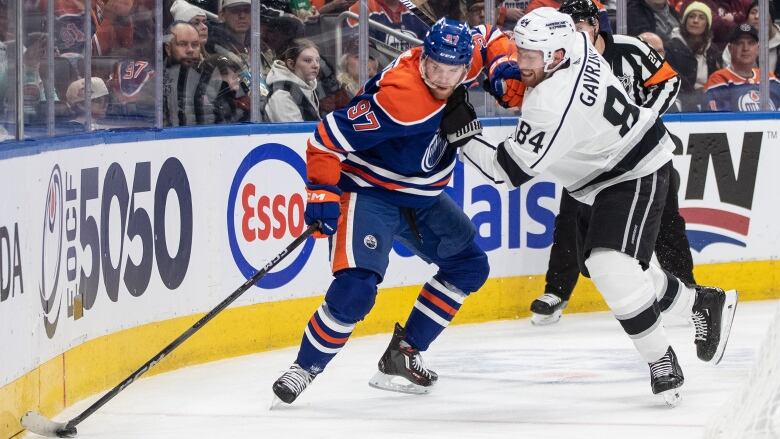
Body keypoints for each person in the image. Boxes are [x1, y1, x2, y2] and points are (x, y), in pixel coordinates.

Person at [450, 7, 737, 403]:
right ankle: (701, 301)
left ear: (554, 56)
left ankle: (661, 360)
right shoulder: (578, 43)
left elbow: (507, 171)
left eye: (530, 57)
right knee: (622, 272)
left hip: (632, 169)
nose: (522, 62)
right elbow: (517, 51)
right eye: (521, 53)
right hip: (599, 176)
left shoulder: (551, 104)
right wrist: (505, 66)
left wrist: (463, 134)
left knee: (609, 265)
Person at [271, 17, 523, 405]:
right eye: (434, 67)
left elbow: (489, 35)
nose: (441, 78)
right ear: (423, 57)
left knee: (470, 266)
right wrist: (321, 192)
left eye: (452, 70)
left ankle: (402, 354)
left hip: (422, 196)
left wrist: (502, 68)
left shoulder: (462, 58)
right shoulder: (400, 99)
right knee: (356, 288)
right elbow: (325, 140)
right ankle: (304, 367)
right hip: (370, 189)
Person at [529, 0, 692, 326]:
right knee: (570, 220)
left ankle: (686, 289)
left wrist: (645, 118)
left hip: (645, 156)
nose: (575, 34)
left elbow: (668, 81)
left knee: (666, 220)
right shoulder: (565, 65)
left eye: (579, 26)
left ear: (595, 23)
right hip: (589, 163)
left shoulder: (629, 48)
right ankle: (557, 291)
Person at [705, 23, 780, 111]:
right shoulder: (719, 79)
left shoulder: (769, 78)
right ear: (730, 49)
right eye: (739, 43)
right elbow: (721, 120)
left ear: (758, 49)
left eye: (751, 43)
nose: (745, 48)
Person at [665, 1, 722, 111]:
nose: (695, 21)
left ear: (707, 24)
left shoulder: (713, 51)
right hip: (680, 101)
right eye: (691, 16)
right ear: (685, 21)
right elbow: (672, 82)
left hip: (707, 102)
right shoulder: (671, 48)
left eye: (701, 18)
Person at [266, 39, 322, 122]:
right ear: (291, 64)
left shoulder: (308, 86)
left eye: (317, 60)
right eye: (307, 60)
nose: (316, 65)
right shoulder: (282, 94)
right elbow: (294, 132)